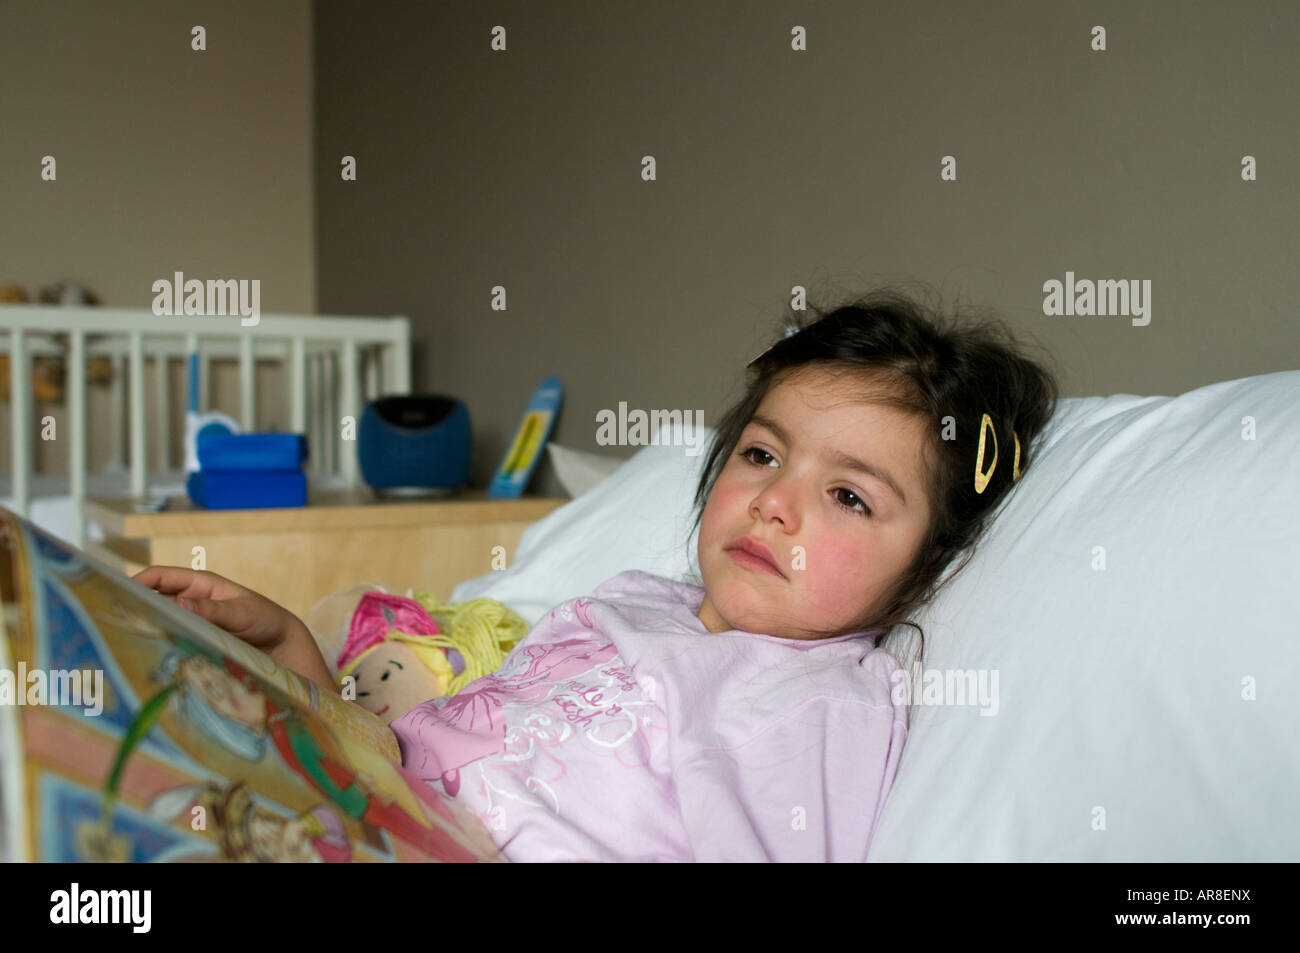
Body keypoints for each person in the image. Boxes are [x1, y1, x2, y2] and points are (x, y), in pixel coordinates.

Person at [134, 285, 1060, 861]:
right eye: (763, 455)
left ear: (927, 561)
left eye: (850, 497)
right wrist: (296, 662)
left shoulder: (820, 702)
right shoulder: (627, 601)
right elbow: (408, 764)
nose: (776, 502)